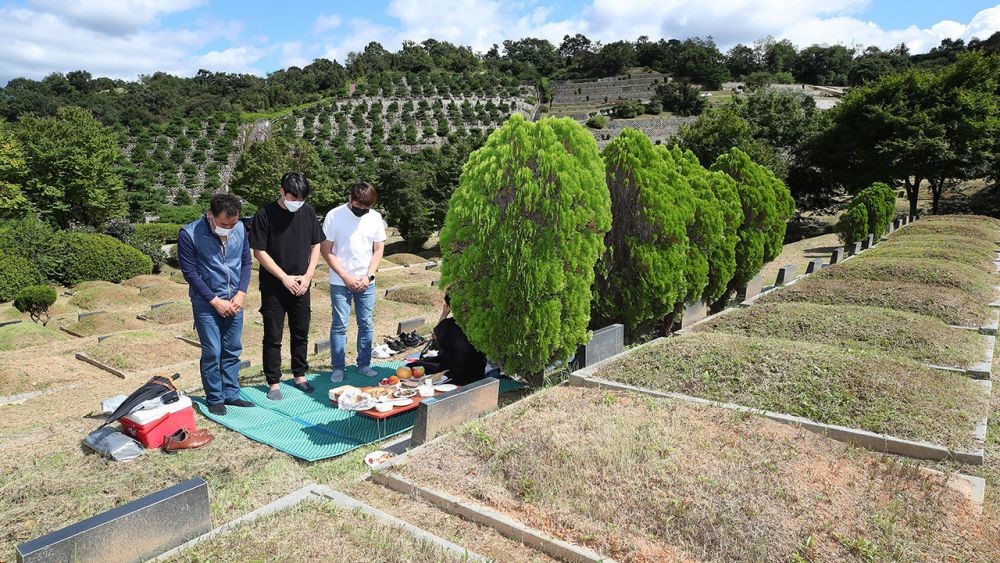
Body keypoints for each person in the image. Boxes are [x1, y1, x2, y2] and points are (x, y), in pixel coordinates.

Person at [249, 172, 324, 401]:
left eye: (301, 199)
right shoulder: (264, 214)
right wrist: (283, 277)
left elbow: (316, 245)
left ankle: (300, 374)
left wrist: (309, 275)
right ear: (281, 191)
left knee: (301, 330)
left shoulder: (308, 212)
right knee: (273, 334)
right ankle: (273, 381)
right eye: (293, 197)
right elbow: (259, 251)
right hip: (275, 284)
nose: (297, 203)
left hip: (302, 282)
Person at [178, 193, 254, 416]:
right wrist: (214, 300)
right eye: (223, 224)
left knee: (232, 349)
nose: (229, 228)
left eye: (233, 223)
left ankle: (231, 394)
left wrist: (241, 293)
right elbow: (190, 273)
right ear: (210, 216)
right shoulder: (190, 233)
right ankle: (215, 398)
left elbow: (246, 262)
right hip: (206, 303)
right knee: (212, 351)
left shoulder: (239, 229)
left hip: (234, 300)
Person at [321, 182, 386, 382]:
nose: (362, 211)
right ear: (351, 198)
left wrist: (369, 276)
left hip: (366, 281)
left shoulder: (375, 218)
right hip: (340, 281)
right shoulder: (334, 216)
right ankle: (338, 367)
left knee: (366, 323)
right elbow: (326, 250)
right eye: (359, 207)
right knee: (340, 325)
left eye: (366, 208)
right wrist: (345, 276)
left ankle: (364, 364)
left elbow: (378, 249)